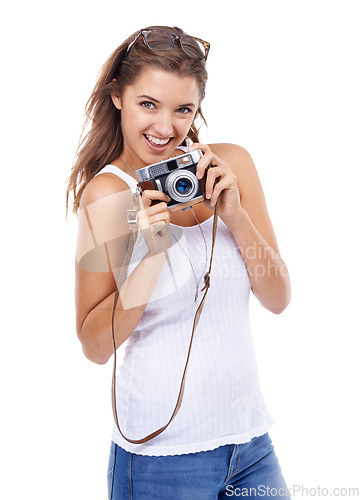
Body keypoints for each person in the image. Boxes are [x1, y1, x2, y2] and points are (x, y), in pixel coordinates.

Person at [67, 25, 292, 500]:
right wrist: (149, 256)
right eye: (148, 104)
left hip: (250, 446)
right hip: (160, 458)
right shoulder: (107, 196)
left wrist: (235, 215)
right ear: (117, 97)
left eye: (183, 109)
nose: (165, 128)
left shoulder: (232, 165)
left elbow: (277, 298)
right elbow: (94, 344)